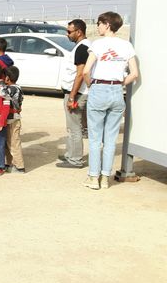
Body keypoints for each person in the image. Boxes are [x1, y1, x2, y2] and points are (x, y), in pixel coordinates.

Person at [82, 11, 139, 190]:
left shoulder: (98, 44)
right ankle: (105, 177)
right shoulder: (126, 45)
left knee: (95, 138)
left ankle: (93, 177)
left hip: (99, 89)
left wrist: (91, 85)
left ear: (107, 24)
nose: (97, 26)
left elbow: (85, 71)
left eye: (99, 23)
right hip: (116, 91)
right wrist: (120, 82)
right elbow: (135, 74)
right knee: (111, 138)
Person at [56, 19, 92, 169]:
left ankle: (75, 159)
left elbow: (80, 74)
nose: (67, 34)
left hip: (77, 94)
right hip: (75, 92)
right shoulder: (82, 46)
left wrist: (72, 96)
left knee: (74, 127)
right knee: (71, 127)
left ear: (79, 32)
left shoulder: (83, 48)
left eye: (69, 31)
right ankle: (70, 154)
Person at [0, 66, 25, 173]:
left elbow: (2, 93)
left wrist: (0, 83)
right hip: (10, 119)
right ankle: (9, 163)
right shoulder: (17, 87)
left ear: (8, 78)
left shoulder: (13, 88)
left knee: (14, 143)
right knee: (8, 142)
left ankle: (19, 166)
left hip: (13, 119)